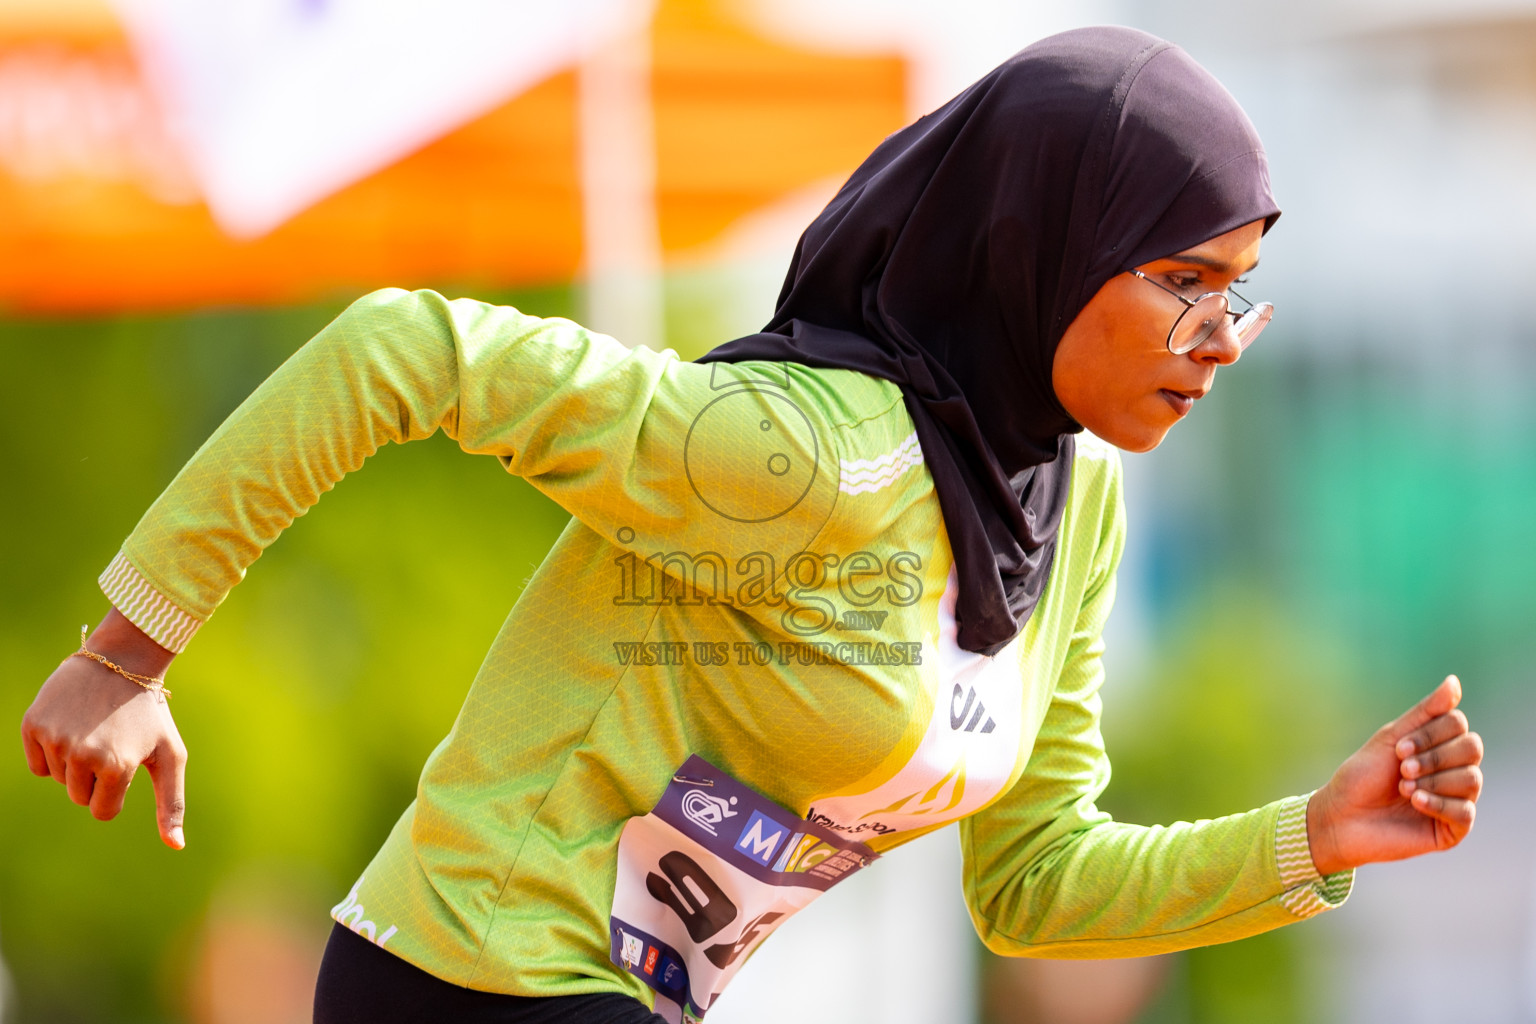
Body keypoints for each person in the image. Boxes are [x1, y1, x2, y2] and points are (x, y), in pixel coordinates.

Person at [21, 26, 1483, 1024]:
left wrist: (1312, 837)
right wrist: (125, 658)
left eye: (1239, 292)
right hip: (467, 979)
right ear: (1037, 252)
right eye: (1181, 280)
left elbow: (1035, 888)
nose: (1220, 336)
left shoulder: (1072, 507)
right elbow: (402, 348)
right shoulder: (804, 453)